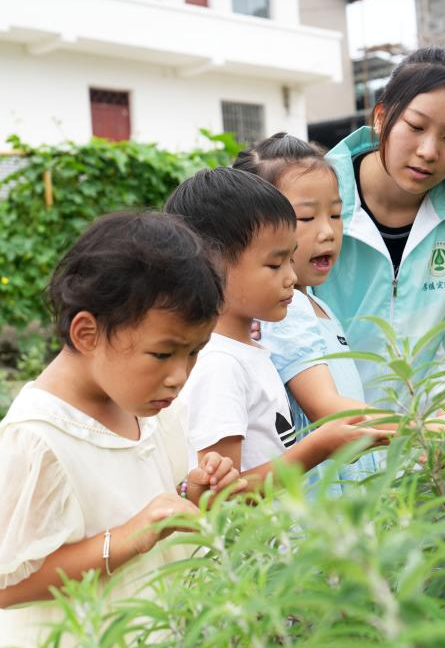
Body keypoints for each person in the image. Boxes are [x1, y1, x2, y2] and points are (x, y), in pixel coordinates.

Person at [0, 211, 245, 648]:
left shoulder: (148, 406)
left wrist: (189, 495)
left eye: (194, 352)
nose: (179, 375)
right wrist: (132, 534)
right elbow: (6, 586)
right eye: (162, 353)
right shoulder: (39, 439)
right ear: (87, 333)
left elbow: (145, 504)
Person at [317, 45, 445, 412]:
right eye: (415, 127)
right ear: (381, 117)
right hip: (326, 424)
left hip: (434, 425)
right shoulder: (311, 199)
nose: (428, 151)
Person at [164, 167, 386, 491]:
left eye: (290, 261)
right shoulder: (219, 366)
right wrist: (317, 448)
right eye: (274, 264)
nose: (291, 278)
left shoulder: (250, 351)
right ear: (211, 265)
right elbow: (217, 498)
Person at [233, 133, 385, 495]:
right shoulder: (289, 308)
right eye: (305, 217)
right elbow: (327, 407)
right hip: (324, 507)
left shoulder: (314, 301)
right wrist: (419, 427)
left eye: (335, 213)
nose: (327, 231)